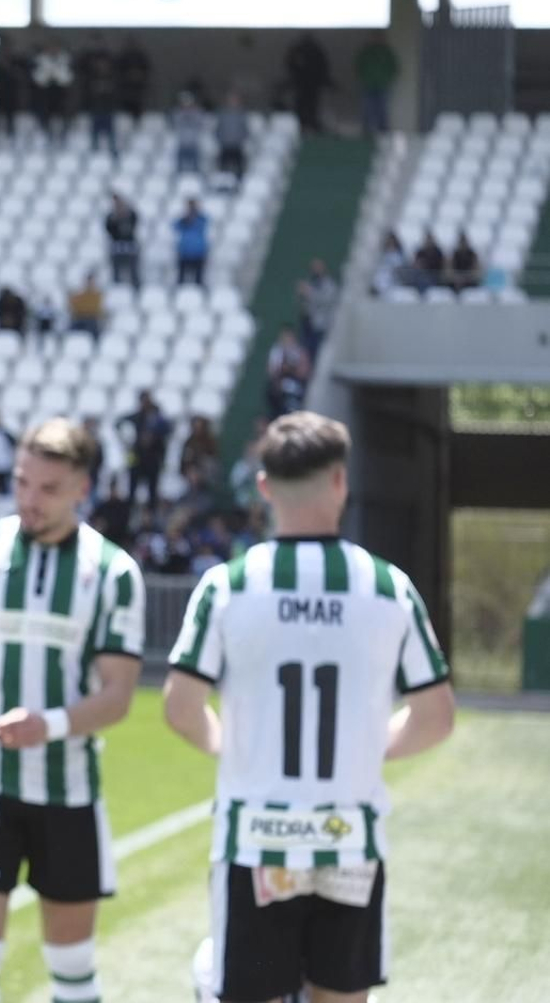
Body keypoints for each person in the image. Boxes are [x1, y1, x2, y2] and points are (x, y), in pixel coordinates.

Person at [164, 411, 455, 1003]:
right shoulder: (388, 587)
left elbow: (181, 708)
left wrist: (229, 745)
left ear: (264, 486)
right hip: (349, 838)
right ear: (340, 481)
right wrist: (369, 748)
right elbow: (436, 717)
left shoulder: (227, 586)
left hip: (257, 839)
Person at [0, 419, 146, 1003]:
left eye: (48, 488)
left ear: (82, 489)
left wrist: (51, 726)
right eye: (22, 482)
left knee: (72, 968)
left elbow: (118, 694)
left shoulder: (113, 572)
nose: (29, 499)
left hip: (68, 789)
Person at [354, 34, 399, 137]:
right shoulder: (367, 52)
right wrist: (364, 78)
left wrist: (386, 79)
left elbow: (394, 68)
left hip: (382, 85)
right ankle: (366, 133)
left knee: (382, 109)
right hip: (368, 85)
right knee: (367, 109)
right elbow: (358, 66)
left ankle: (383, 133)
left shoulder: (386, 52)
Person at [104, 194, 139, 289]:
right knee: (116, 269)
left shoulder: (130, 214)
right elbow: (109, 229)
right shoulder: (111, 217)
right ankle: (117, 288)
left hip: (129, 245)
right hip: (117, 245)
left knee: (133, 268)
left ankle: (136, 286)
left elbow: (134, 225)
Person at [174, 198, 210, 286]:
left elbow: (205, 224)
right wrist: (185, 219)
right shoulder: (183, 220)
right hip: (185, 252)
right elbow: (175, 227)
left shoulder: (201, 219)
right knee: (181, 279)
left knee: (199, 279)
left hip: (198, 252)